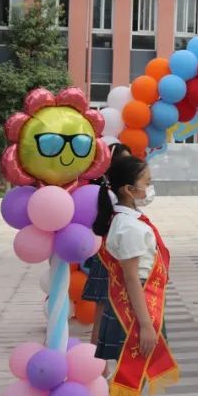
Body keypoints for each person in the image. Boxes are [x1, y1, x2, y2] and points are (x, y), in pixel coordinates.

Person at [93, 155, 179, 396]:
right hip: (133, 311)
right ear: (129, 190)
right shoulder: (128, 226)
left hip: (137, 304)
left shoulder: (128, 220)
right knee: (130, 385)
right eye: (147, 183)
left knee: (132, 385)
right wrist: (145, 325)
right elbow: (130, 278)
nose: (150, 188)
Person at [82, 142, 132, 346]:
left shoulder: (114, 192)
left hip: (113, 253)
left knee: (110, 310)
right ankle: (96, 358)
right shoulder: (109, 195)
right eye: (125, 161)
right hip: (109, 255)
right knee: (103, 310)